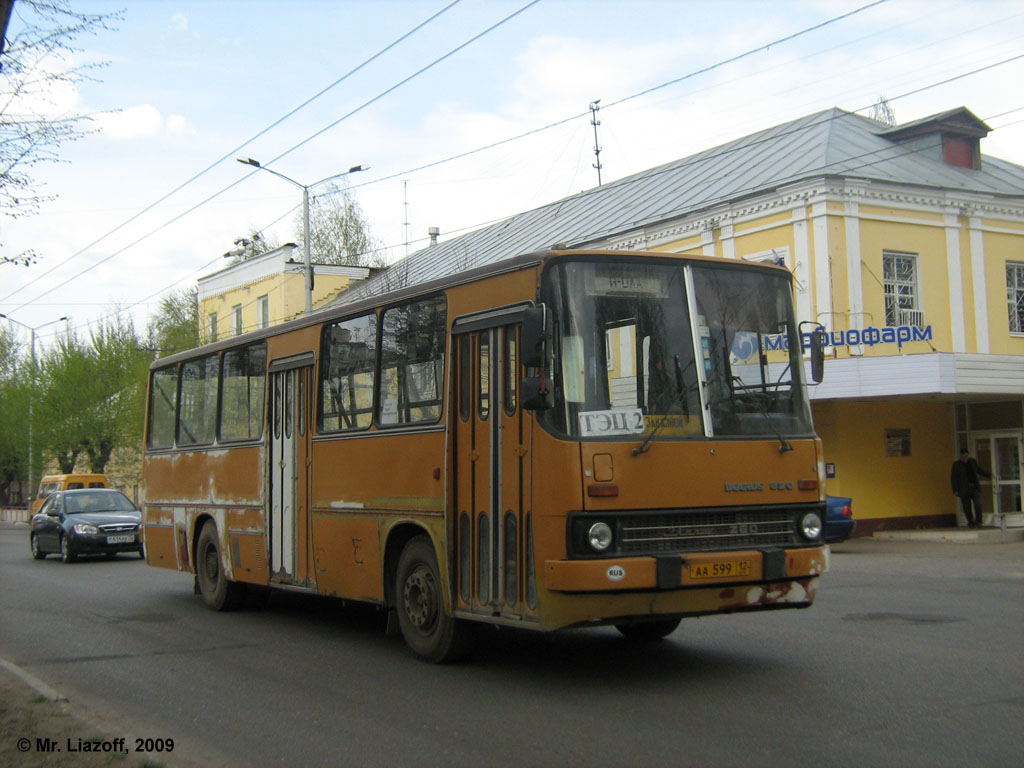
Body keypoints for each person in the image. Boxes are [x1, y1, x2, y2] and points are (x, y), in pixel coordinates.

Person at [950, 449, 991, 528]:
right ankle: (970, 521)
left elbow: (978, 470)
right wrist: (955, 490)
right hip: (964, 489)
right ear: (960, 456)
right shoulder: (956, 465)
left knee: (978, 504)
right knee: (967, 506)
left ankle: (978, 521)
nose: (965, 458)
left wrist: (987, 474)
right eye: (963, 457)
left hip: (974, 487)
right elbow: (953, 478)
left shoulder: (972, 462)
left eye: (966, 456)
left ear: (968, 455)